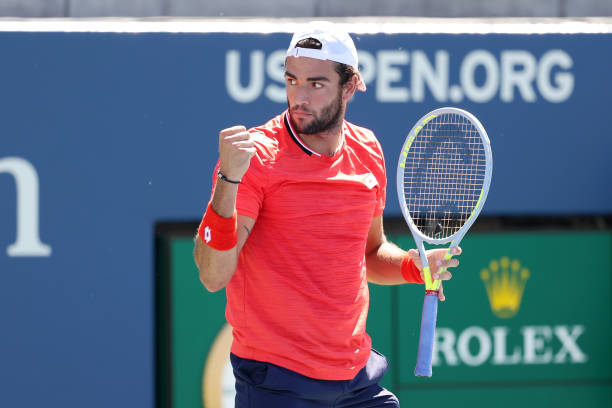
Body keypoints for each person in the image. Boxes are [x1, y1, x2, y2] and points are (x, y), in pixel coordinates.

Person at [193, 21, 461, 408]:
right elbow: (213, 276)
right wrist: (228, 178)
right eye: (291, 80)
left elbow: (370, 255)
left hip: (356, 379)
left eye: (316, 84)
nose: (299, 96)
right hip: (277, 382)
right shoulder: (256, 157)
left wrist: (414, 266)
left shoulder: (367, 149)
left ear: (350, 86)